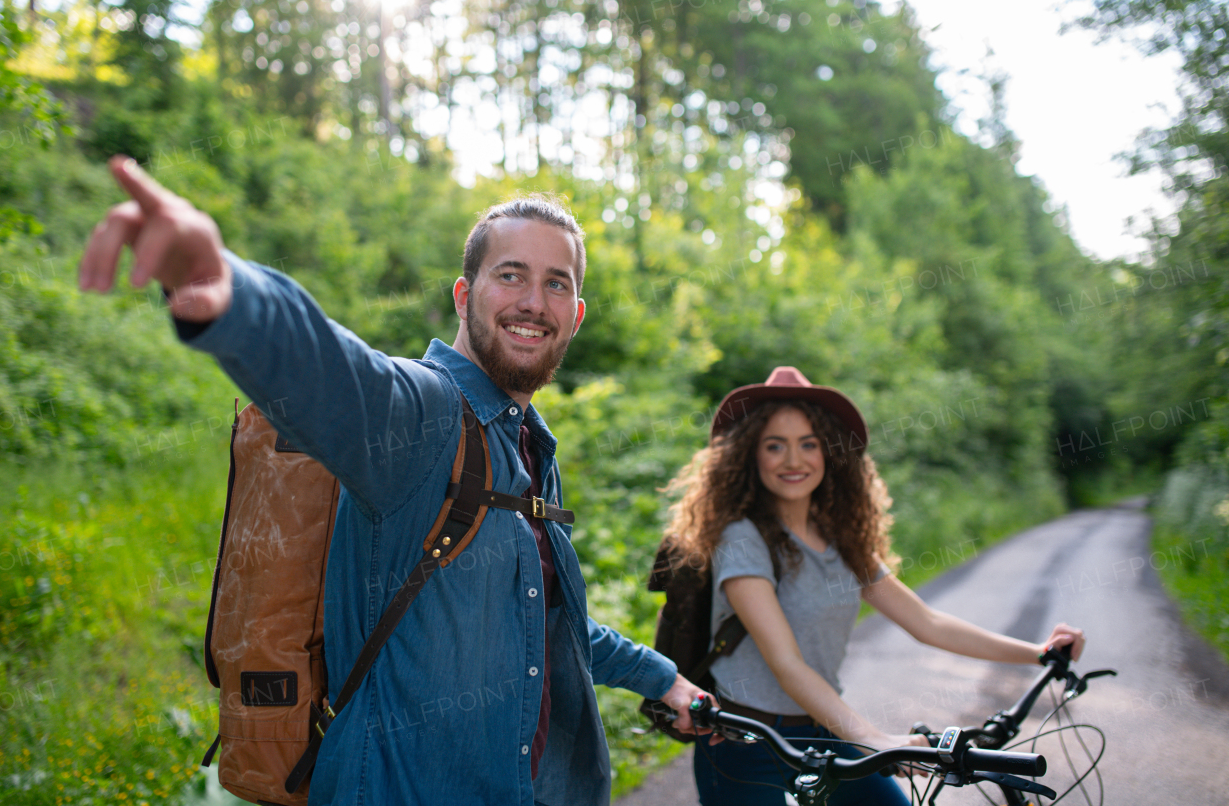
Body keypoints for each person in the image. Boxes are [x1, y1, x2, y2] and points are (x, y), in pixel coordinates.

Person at [78, 156, 710, 806]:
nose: (532, 301)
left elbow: (542, 622)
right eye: (511, 275)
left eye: (555, 284)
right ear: (465, 296)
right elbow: (329, 369)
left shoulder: (525, 445)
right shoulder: (425, 417)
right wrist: (225, 286)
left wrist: (662, 677)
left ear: (575, 315)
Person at [659, 366, 1086, 806]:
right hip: (747, 741)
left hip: (822, 726)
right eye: (774, 446)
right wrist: (873, 738)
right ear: (750, 455)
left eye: (809, 444)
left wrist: (1037, 653)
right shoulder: (740, 538)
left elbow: (928, 622)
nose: (793, 460)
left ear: (829, 452)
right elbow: (787, 664)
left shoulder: (841, 540)